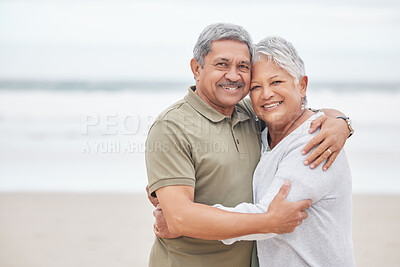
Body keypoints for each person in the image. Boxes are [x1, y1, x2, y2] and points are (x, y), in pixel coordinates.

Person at [145, 23, 353, 267]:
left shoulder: (264, 120)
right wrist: (267, 222)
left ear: (302, 85)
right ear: (197, 68)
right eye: (222, 64)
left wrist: (341, 122)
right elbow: (180, 218)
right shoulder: (172, 127)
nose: (233, 76)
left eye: (242, 67)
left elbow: (298, 113)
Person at [214, 36, 355, 266]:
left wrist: (186, 218)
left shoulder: (315, 141)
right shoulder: (263, 134)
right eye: (256, 87)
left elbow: (265, 219)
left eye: (276, 82)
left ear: (301, 85)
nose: (266, 93)